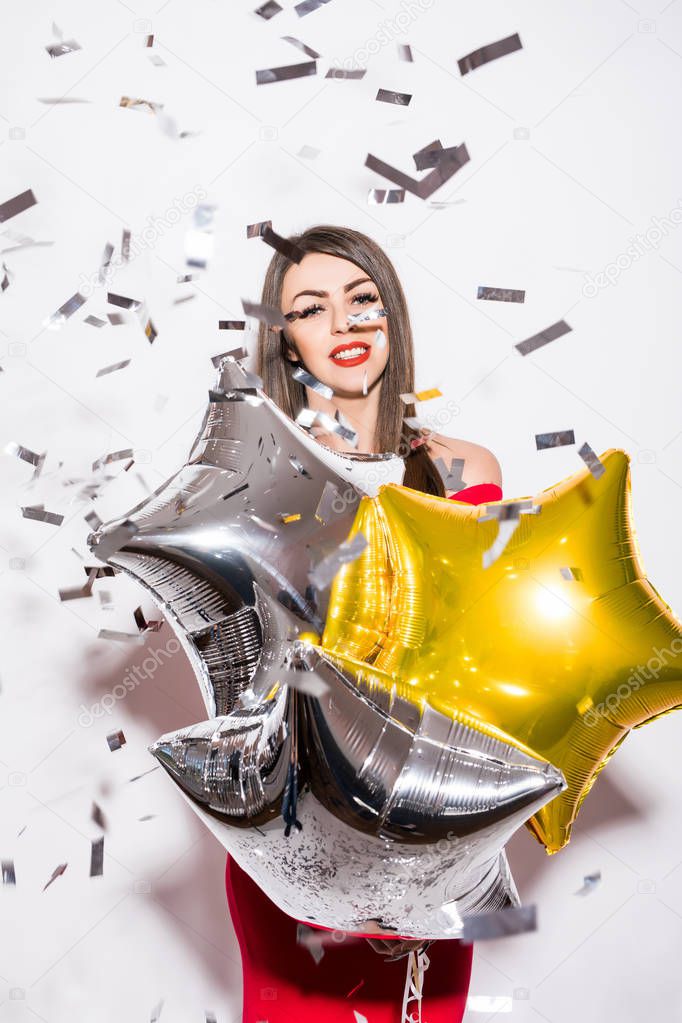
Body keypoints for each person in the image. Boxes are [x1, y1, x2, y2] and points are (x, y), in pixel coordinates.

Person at [225, 225, 503, 1022]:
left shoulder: (465, 472)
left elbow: (477, 656)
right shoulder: (260, 477)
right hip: (296, 829)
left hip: (430, 826)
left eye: (362, 299)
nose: (343, 325)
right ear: (285, 342)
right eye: (311, 309)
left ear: (392, 314)